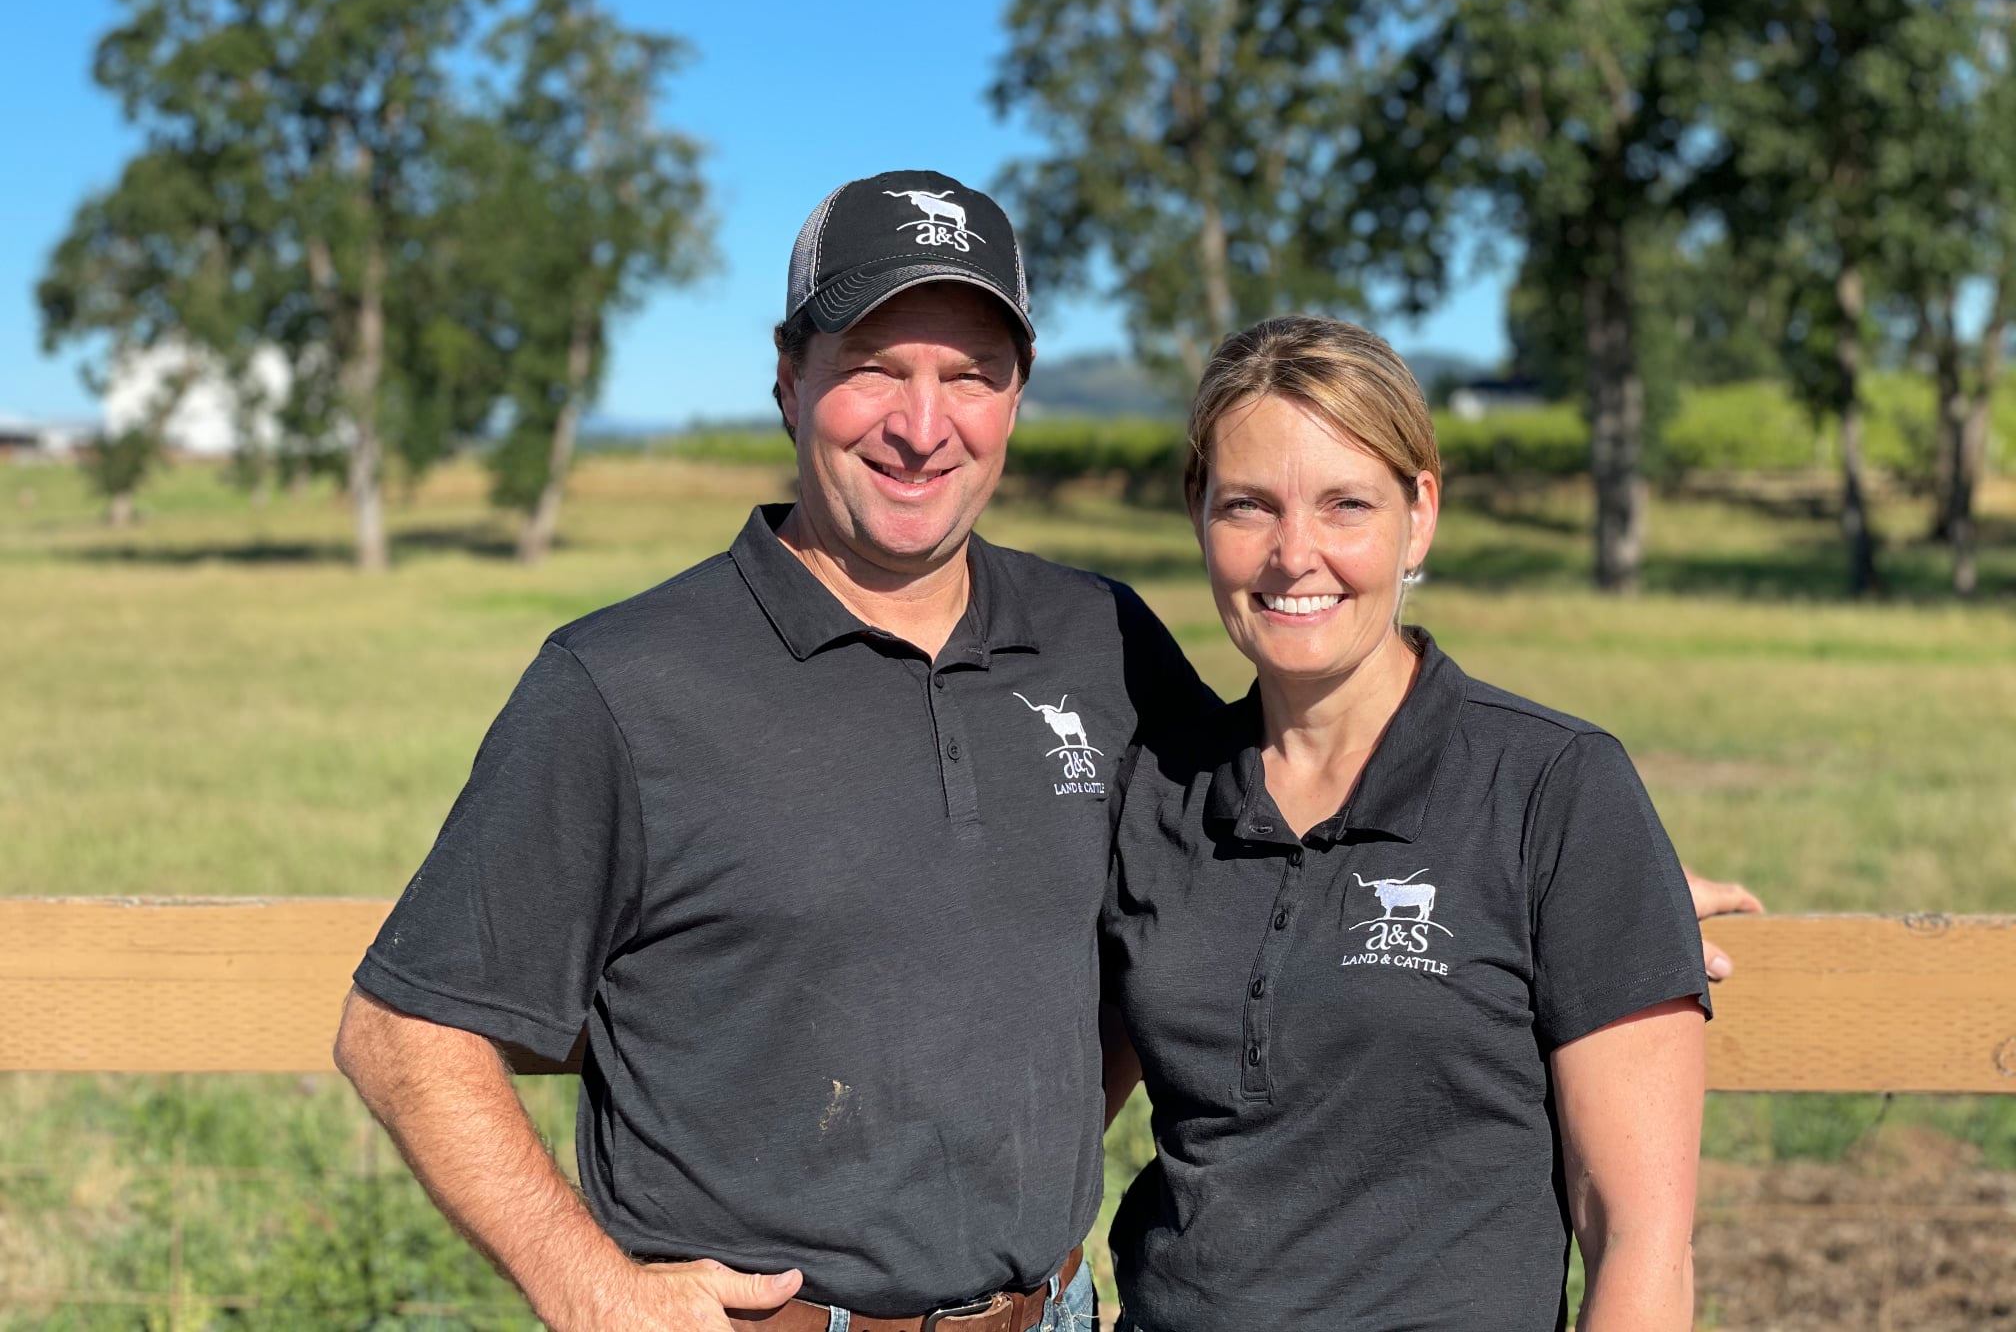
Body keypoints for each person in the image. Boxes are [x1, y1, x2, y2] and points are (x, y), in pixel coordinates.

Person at [332, 173, 1756, 1332]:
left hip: (1058, 1318)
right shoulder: (623, 682)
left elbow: (1305, 803)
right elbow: (400, 1029)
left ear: (1017, 395)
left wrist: (1589, 879)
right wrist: (584, 1286)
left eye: (972, 373)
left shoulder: (1099, 641)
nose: (920, 422)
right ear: (786, 381)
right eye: (871, 368)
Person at [1101, 314, 1713, 1332]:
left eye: (1346, 504)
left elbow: (1636, 1237)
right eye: (1248, 505)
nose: (1295, 556)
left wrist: (1629, 905)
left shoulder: (1554, 787)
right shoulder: (1159, 794)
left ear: (1418, 515)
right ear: (1198, 514)